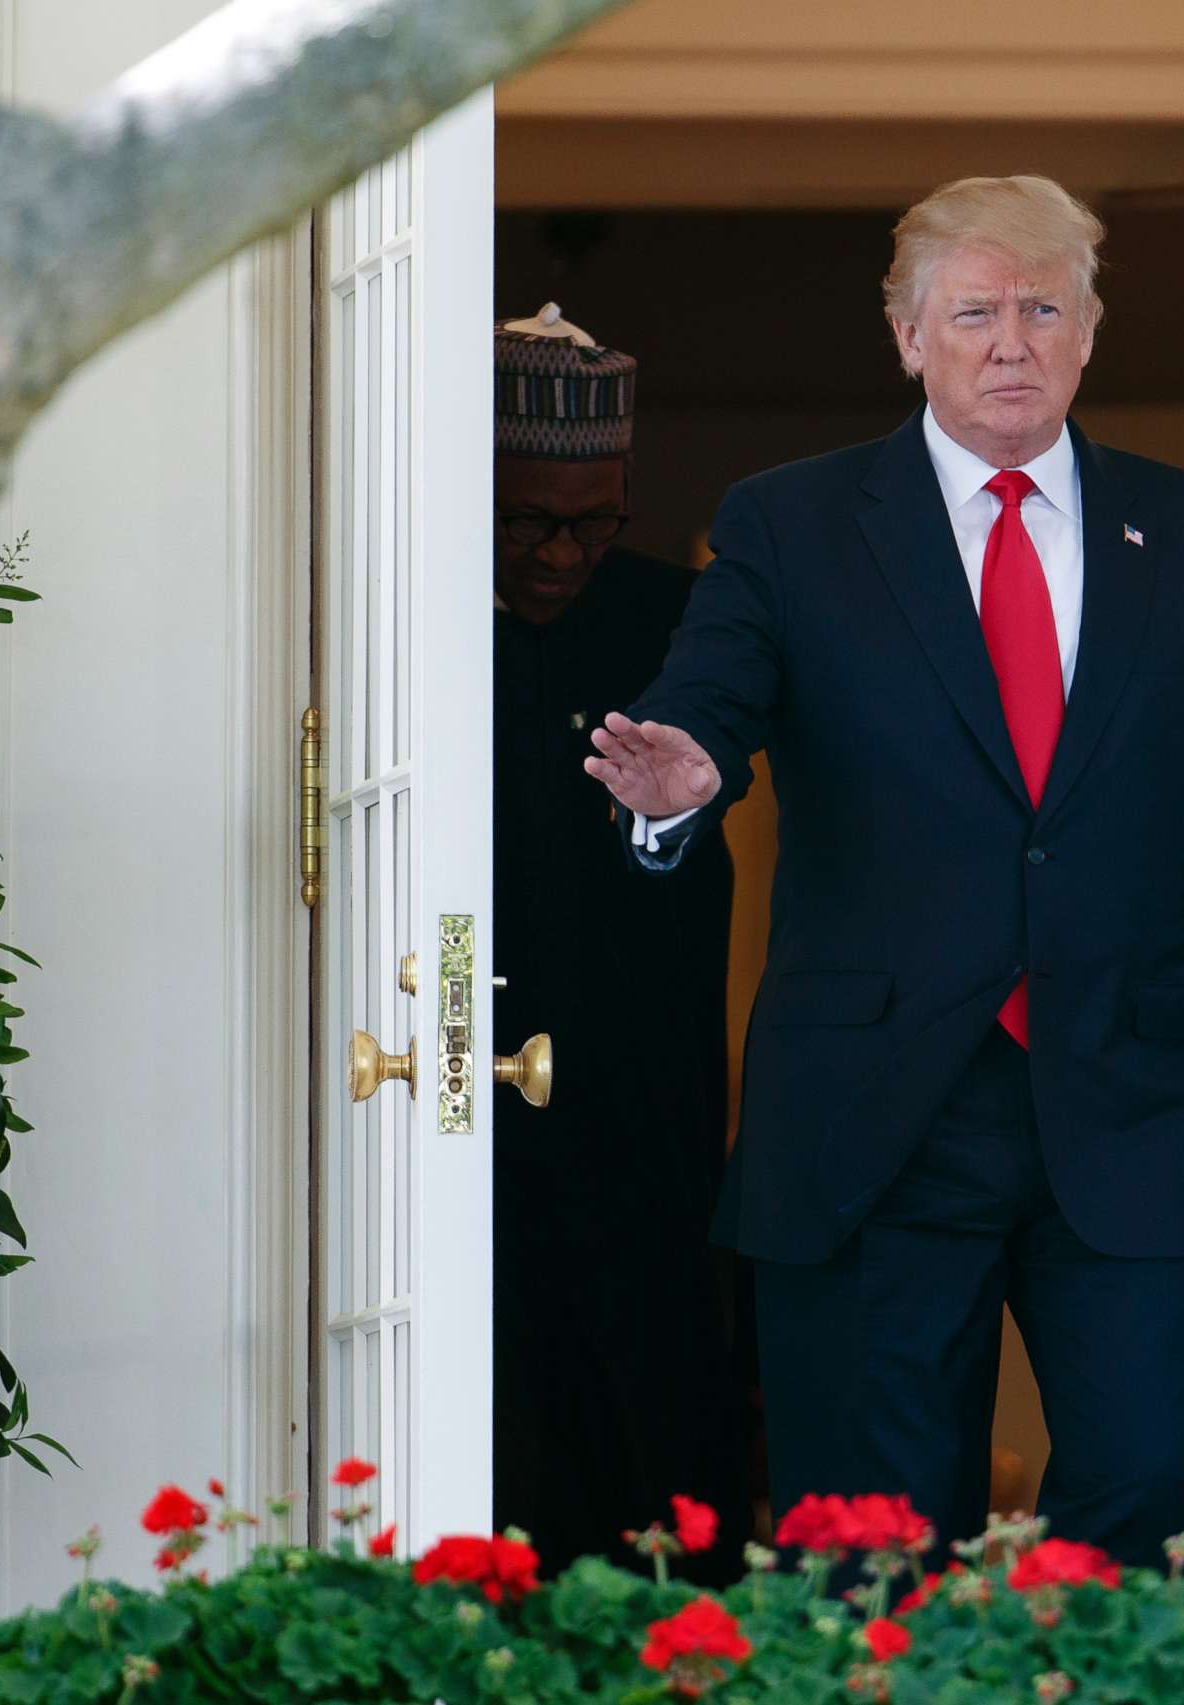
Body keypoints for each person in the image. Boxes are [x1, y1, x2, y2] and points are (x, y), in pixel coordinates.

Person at [583, 178, 1184, 1567]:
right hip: (874, 1122)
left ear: (1089, 332)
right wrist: (688, 775)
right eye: (978, 310)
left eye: (1044, 308)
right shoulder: (791, 523)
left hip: (1129, 1101)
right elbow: (711, 694)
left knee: (1137, 1513)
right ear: (907, 335)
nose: (1013, 341)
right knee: (866, 1546)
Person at [487, 304, 751, 1580]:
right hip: (453, 1101)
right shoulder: (407, 614)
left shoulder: (680, 621)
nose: (557, 553)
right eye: (527, 518)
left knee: (650, 1423)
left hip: (638, 1103)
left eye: (593, 522)